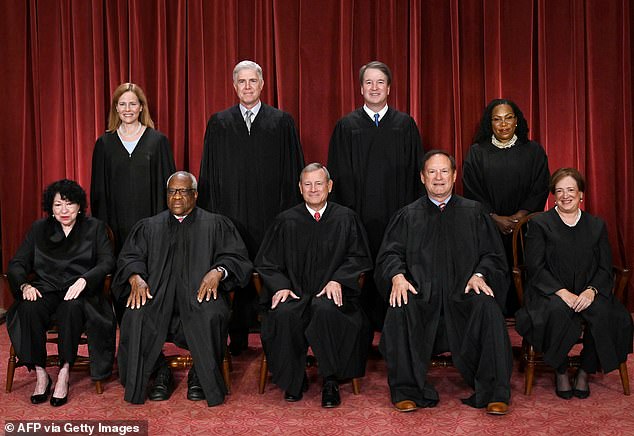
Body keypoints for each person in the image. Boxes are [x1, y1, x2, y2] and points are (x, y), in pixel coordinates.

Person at [375, 150, 512, 415]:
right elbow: (389, 253)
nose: (438, 178)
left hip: (463, 294)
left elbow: (493, 255)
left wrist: (480, 274)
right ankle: (406, 390)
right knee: (400, 306)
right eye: (432, 172)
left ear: (454, 175)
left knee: (488, 307)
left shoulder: (474, 213)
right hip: (421, 295)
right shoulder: (408, 215)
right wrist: (397, 276)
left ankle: (495, 391)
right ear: (423, 177)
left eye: (444, 171)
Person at [113, 171, 252, 407]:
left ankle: (201, 373)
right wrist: (136, 277)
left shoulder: (216, 224)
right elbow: (129, 257)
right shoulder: (149, 227)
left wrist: (218, 271)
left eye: (183, 191)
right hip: (156, 297)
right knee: (135, 315)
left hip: (200, 296)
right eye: (172, 191)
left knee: (212, 314)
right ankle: (160, 372)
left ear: (195, 195)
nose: (177, 196)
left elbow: (237, 259)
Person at [198, 60, 305, 355]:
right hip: (230, 214)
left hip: (270, 214)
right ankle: (237, 337)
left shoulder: (281, 121)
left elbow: (292, 170)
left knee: (269, 270)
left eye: (252, 81)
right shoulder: (219, 123)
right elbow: (209, 172)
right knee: (233, 268)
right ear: (234, 87)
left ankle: (273, 336)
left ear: (261, 85)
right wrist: (213, 216)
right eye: (241, 82)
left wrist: (289, 215)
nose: (247, 87)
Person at [255, 163, 373, 408]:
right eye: (307, 184)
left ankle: (330, 380)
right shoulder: (285, 221)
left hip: (332, 295)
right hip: (295, 293)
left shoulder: (346, 218)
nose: (313, 189)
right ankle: (293, 381)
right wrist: (280, 286)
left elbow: (359, 258)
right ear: (300, 188)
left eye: (319, 183)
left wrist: (338, 280)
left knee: (325, 309)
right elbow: (266, 262)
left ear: (329, 186)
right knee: (285, 313)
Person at [515, 168, 633, 399]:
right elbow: (535, 267)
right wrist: (562, 293)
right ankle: (559, 369)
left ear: (581, 194)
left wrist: (591, 291)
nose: (565, 195)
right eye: (559, 191)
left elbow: (604, 267)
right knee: (556, 312)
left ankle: (584, 370)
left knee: (607, 314)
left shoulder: (596, 225)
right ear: (553, 195)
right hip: (549, 292)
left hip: (589, 290)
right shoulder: (540, 224)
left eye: (570, 190)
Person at [327, 61, 423, 331]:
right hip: (358, 215)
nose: (374, 87)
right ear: (360, 88)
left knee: (395, 264)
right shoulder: (347, 127)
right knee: (360, 267)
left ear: (389, 88)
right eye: (368, 82)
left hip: (397, 215)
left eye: (380, 82)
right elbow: (337, 175)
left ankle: (394, 326)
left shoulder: (404, 125)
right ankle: (360, 330)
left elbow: (417, 173)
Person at [6, 179, 115, 407]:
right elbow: (17, 263)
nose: (64, 210)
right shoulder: (39, 229)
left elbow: (107, 262)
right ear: (50, 208)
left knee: (72, 307)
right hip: (46, 289)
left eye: (69, 204)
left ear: (79, 205)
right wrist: (25, 286)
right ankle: (41, 372)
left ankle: (65, 371)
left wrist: (86, 279)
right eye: (57, 205)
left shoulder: (94, 228)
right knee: (29, 307)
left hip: (80, 291)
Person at [462, 98, 549, 315]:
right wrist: (494, 217)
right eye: (497, 119)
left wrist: (521, 216)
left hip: (526, 228)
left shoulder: (533, 151)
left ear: (517, 121)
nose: (503, 124)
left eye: (508, 118)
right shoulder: (477, 152)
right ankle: (493, 311)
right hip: (488, 226)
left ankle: (528, 311)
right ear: (489, 124)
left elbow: (540, 186)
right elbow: (471, 189)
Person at [91, 82, 176, 254]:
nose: (127, 109)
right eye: (122, 104)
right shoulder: (104, 144)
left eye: (133, 104)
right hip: (116, 225)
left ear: (141, 107)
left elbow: (169, 188)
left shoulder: (158, 141)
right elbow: (98, 191)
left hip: (152, 225)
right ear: (116, 108)